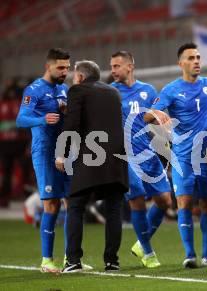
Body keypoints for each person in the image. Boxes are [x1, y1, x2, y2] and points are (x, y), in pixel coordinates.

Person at [144, 43, 207, 268]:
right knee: (184, 203)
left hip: (206, 155)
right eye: (191, 58)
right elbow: (146, 118)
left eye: (198, 57)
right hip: (183, 157)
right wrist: (157, 112)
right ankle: (190, 254)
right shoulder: (170, 89)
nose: (196, 61)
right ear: (181, 64)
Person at [56, 60, 128, 272]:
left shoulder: (77, 90)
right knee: (114, 207)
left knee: (76, 205)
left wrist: (61, 154)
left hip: (91, 156)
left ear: (79, 77)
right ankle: (112, 261)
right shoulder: (113, 92)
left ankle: (73, 260)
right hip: (117, 157)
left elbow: (72, 125)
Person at [110, 51, 172, 268]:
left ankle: (141, 242)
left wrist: (158, 117)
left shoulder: (147, 90)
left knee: (165, 201)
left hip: (147, 153)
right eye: (112, 66)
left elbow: (149, 117)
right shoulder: (111, 93)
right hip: (125, 158)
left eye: (117, 66)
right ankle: (148, 252)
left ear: (130, 66)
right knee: (137, 202)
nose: (113, 70)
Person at [16, 48, 71, 273]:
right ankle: (47, 260)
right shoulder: (34, 90)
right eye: (61, 67)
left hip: (65, 152)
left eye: (67, 67)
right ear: (48, 66)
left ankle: (72, 259)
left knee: (73, 203)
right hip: (44, 152)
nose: (65, 71)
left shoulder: (64, 88)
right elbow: (21, 119)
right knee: (52, 204)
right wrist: (42, 119)